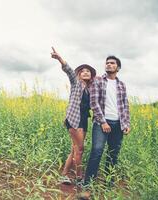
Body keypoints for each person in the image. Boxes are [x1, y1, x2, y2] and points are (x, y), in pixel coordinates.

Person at [80, 55, 130, 199]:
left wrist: (126, 124)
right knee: (97, 151)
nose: (108, 65)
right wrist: (103, 122)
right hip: (101, 123)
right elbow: (94, 103)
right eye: (107, 63)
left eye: (112, 63)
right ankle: (87, 187)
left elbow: (125, 106)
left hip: (118, 124)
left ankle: (109, 184)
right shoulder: (98, 81)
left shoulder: (122, 85)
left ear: (118, 68)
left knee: (113, 154)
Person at [51, 47, 96, 185]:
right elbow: (69, 71)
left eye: (88, 71)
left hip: (83, 120)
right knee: (80, 149)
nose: (85, 72)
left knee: (75, 149)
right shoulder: (76, 83)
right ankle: (79, 178)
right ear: (79, 75)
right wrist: (59, 58)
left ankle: (64, 175)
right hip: (74, 119)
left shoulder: (90, 89)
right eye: (82, 71)